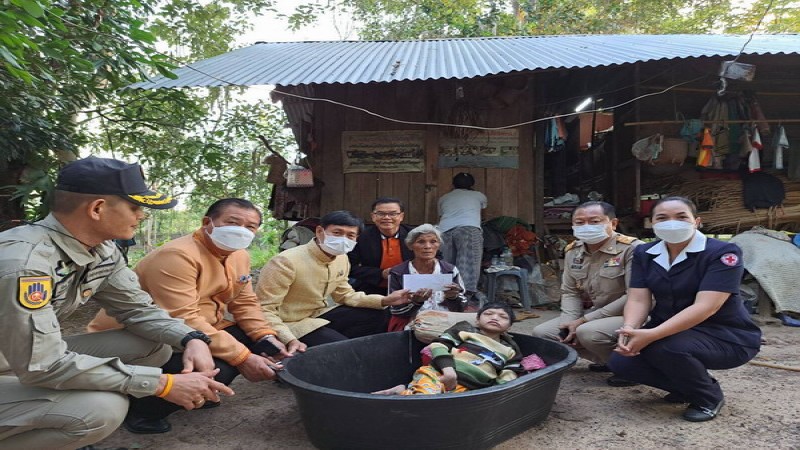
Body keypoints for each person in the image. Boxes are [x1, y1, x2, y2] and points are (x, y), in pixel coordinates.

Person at [0, 157, 233, 450]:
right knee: (101, 409)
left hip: (18, 356)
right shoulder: (27, 264)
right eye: (135, 207)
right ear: (97, 208)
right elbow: (42, 364)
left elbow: (137, 309)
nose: (142, 216)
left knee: (152, 345)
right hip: (26, 361)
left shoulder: (101, 250)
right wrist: (163, 384)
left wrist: (192, 338)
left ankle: (54, 418)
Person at [88, 198, 287, 434]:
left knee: (255, 342)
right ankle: (142, 410)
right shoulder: (177, 256)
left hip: (197, 329)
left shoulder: (239, 255)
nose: (240, 231)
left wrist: (266, 337)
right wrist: (243, 358)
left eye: (250, 227)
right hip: (143, 338)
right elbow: (182, 318)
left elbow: (244, 302)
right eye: (232, 222)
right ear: (207, 223)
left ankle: (197, 392)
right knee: (219, 367)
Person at [608, 196, 761, 422]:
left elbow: (706, 307)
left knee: (667, 349)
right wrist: (630, 328)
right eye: (662, 218)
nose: (672, 223)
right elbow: (639, 299)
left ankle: (708, 398)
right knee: (621, 362)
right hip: (672, 332)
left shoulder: (722, 253)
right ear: (652, 223)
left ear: (696, 221)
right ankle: (686, 387)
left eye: (681, 217)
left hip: (725, 336)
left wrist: (652, 334)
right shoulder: (644, 253)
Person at [256, 210, 412, 347]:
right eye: (337, 233)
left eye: (350, 235)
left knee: (380, 315)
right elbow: (265, 309)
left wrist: (386, 300)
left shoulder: (341, 258)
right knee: (339, 348)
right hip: (290, 323)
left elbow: (345, 296)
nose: (344, 239)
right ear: (319, 231)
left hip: (318, 316)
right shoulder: (286, 261)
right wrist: (288, 339)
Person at [532, 201, 641, 386]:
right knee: (544, 333)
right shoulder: (573, 251)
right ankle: (608, 361)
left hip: (633, 315)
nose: (586, 227)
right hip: (599, 314)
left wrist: (582, 322)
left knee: (588, 332)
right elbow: (570, 291)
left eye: (594, 221)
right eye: (579, 222)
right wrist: (569, 323)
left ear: (613, 223)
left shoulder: (631, 249)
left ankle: (633, 369)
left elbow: (634, 296)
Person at [373, 302, 525, 395]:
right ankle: (409, 392)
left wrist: (491, 395)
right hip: (438, 374)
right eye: (489, 314)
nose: (495, 318)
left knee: (441, 408)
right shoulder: (464, 330)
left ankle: (403, 391)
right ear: (477, 320)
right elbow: (438, 345)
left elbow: (507, 377)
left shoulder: (510, 350)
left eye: (503, 317)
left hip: (469, 388)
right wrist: (448, 371)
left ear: (509, 326)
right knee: (423, 399)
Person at [386, 223, 466, 331]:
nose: (427, 246)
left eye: (433, 242)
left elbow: (463, 306)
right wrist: (416, 302)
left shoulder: (450, 270)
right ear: (410, 246)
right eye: (421, 242)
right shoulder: (398, 272)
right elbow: (394, 309)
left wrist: (453, 297)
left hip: (445, 324)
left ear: (438, 245)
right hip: (411, 325)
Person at [437, 172, 487, 302]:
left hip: (444, 230)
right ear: (472, 184)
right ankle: (465, 294)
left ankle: (444, 293)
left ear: (453, 184)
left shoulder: (444, 197)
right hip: (468, 228)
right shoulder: (479, 196)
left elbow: (441, 214)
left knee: (446, 262)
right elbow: (482, 208)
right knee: (468, 262)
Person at [348, 197, 414, 295]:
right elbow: (349, 267)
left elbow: (436, 258)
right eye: (381, 214)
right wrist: (381, 273)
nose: (387, 217)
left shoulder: (415, 235)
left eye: (393, 214)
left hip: (411, 288)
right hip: (372, 288)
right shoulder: (361, 237)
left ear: (401, 216)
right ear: (373, 216)